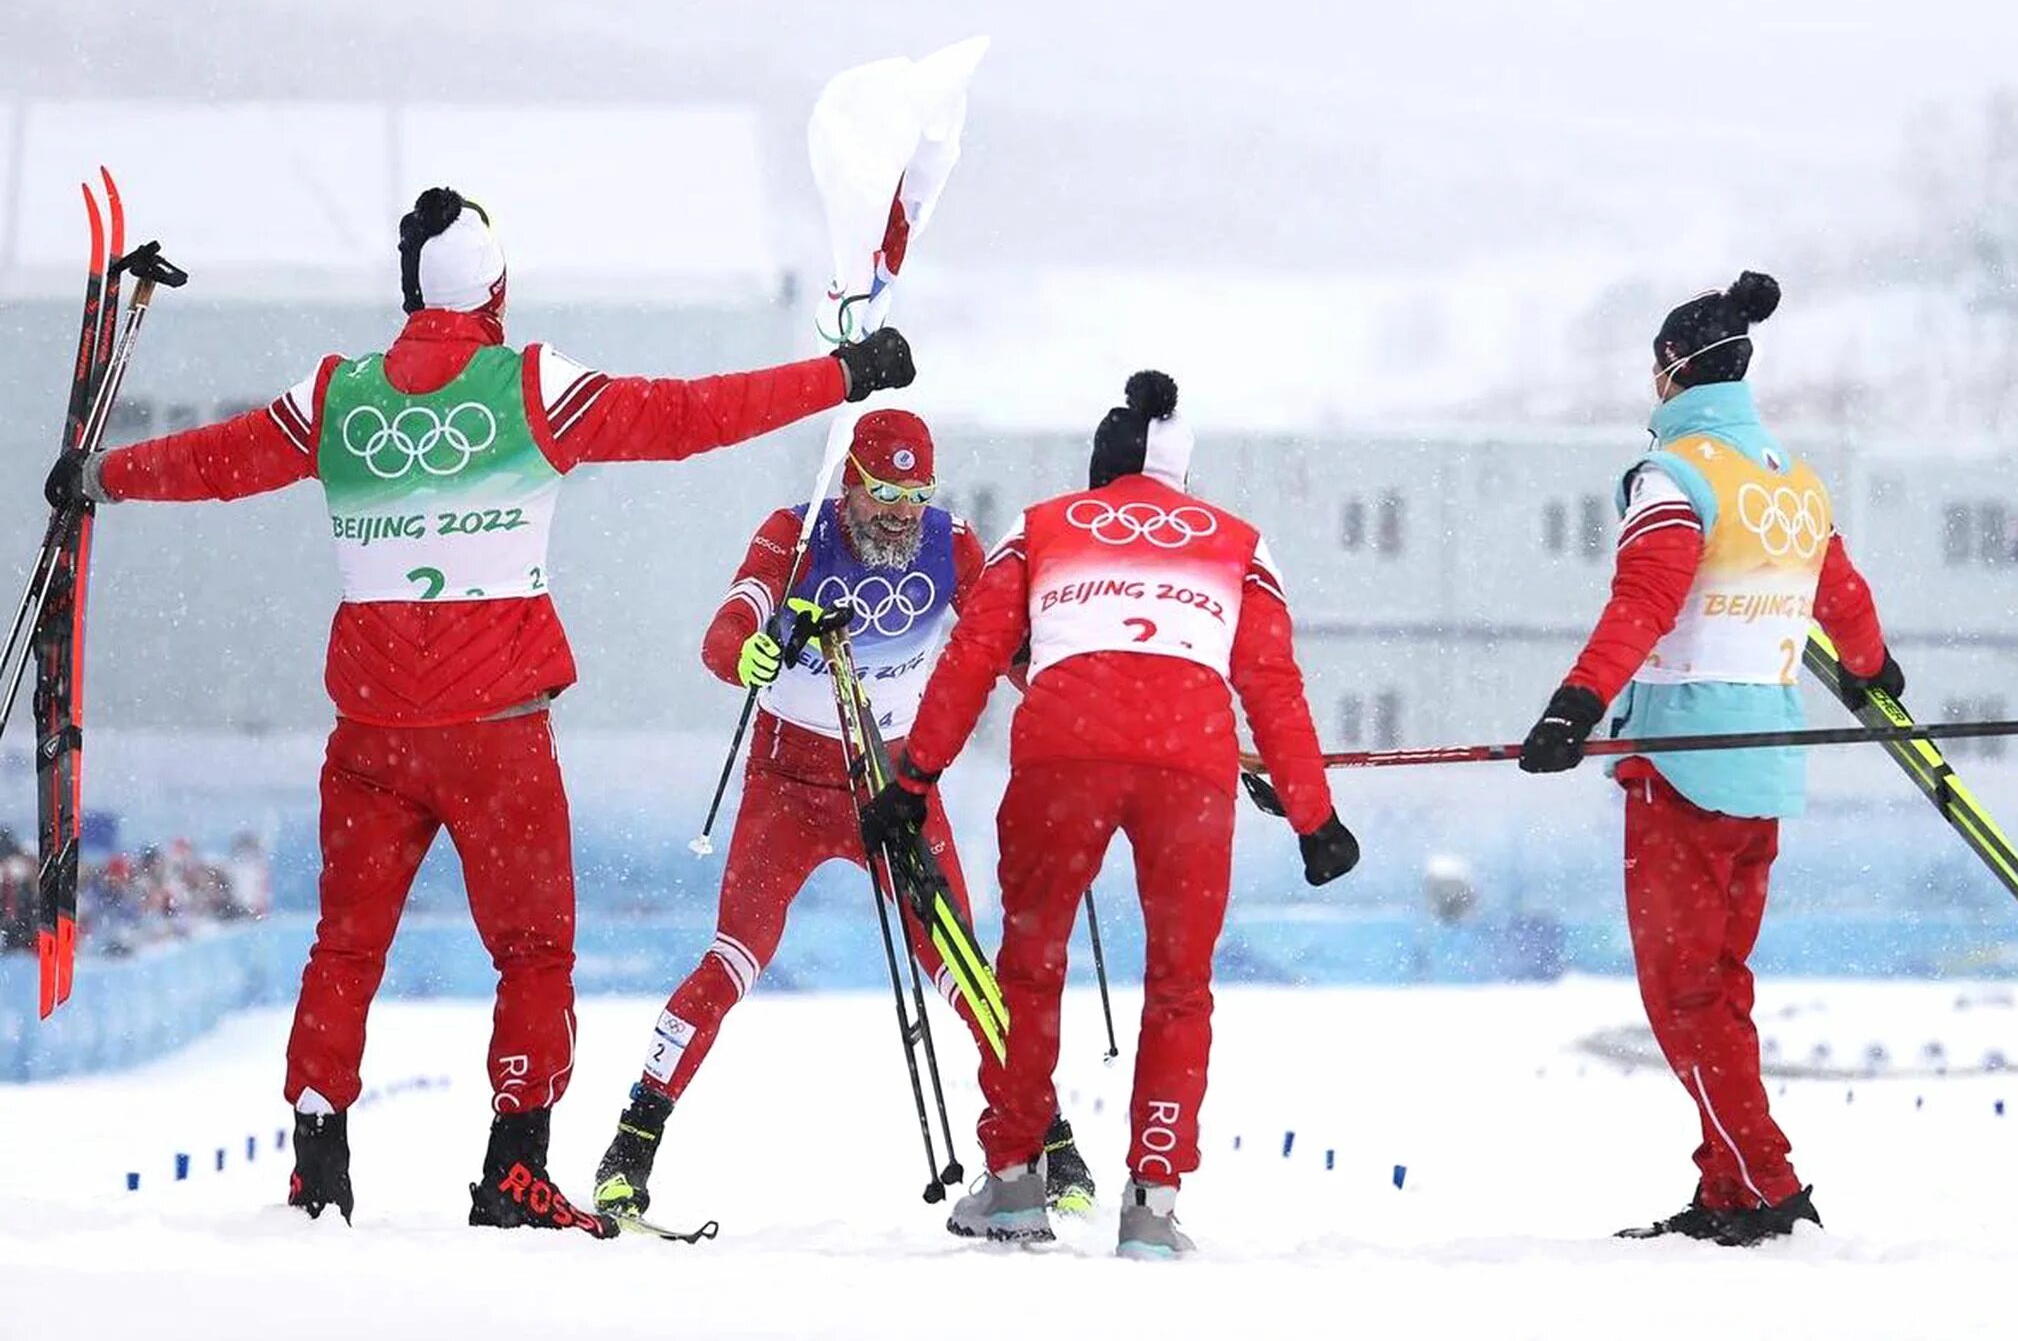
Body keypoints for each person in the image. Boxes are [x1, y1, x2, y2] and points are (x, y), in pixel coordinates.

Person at [41, 187, 915, 1236]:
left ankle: (317, 1165)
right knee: (533, 953)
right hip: (497, 736)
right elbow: (693, 417)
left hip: (371, 736)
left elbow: (215, 460)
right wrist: (842, 377)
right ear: (496, 286)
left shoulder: (339, 393)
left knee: (344, 948)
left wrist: (104, 477)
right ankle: (515, 1165)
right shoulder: (533, 385)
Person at [861, 371, 1360, 1258]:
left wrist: (912, 781)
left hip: (1063, 750)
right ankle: (1153, 1202)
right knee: (1179, 985)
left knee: (1031, 964)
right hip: (1191, 762)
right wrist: (1312, 815)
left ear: (1104, 462)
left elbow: (975, 654)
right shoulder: (1242, 542)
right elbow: (1273, 686)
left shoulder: (1042, 525)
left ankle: (1014, 1181)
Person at [592, 408, 1094, 1221]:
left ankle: (1052, 1138)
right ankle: (630, 1144)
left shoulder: (952, 543)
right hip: (788, 783)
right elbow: (727, 630)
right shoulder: (795, 534)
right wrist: (745, 652)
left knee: (967, 969)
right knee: (732, 958)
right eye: (885, 490)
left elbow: (1010, 650)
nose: (901, 510)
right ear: (851, 482)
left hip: (892, 785)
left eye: (916, 492)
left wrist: (1074, 700)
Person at [1516, 271, 1896, 1247]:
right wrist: (1873, 670)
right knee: (1718, 989)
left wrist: (1575, 705)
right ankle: (1728, 1190)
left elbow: (1642, 606)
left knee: (1684, 998)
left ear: (1672, 374)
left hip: (1683, 763)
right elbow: (1839, 595)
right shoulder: (1789, 479)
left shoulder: (1674, 476)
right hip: (1763, 766)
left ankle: (1765, 1184)